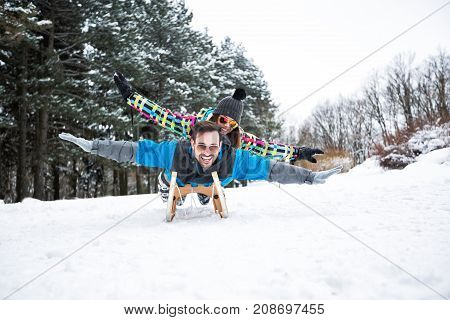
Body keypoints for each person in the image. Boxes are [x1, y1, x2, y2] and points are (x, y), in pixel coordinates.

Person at [113, 71, 325, 204]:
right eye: (223, 120)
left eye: (232, 124)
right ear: (215, 115)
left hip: (212, 173)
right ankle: (167, 183)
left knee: (231, 164)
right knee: (179, 155)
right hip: (186, 168)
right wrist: (132, 96)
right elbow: (161, 115)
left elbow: (268, 149)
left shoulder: (238, 137)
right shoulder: (193, 125)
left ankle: (210, 188)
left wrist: (297, 152)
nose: (226, 127)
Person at [59, 121, 342, 207]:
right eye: (202, 146)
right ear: (192, 144)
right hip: (180, 179)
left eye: (214, 147)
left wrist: (308, 178)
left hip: (214, 182)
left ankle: (208, 194)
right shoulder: (175, 152)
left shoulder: (235, 159)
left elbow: (272, 169)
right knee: (177, 186)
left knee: (215, 184)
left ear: (222, 145)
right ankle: (167, 186)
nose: (208, 152)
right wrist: (93, 146)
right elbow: (134, 151)